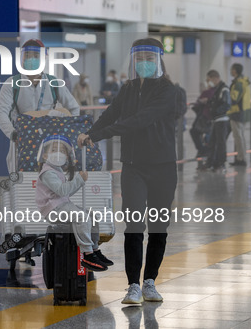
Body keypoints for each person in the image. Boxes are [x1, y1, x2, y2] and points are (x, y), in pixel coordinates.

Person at [77, 38, 177, 305]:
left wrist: (100, 136)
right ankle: (133, 284)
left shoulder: (169, 91)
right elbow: (112, 113)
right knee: (134, 224)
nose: (144, 63)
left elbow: (138, 121)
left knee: (158, 226)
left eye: (149, 58)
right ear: (134, 61)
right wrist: (90, 132)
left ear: (159, 60)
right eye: (140, 58)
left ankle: (150, 282)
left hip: (163, 168)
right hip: (133, 167)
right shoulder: (128, 88)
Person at [0, 39, 80, 173]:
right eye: (27, 55)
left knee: (51, 182)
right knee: (22, 184)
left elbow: (74, 108)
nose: (31, 59)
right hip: (22, 141)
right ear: (21, 58)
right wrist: (13, 134)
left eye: (35, 56)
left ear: (43, 59)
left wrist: (66, 133)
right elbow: (0, 113)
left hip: (51, 143)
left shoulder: (54, 83)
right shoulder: (12, 83)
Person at [35, 135, 113, 272]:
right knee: (82, 217)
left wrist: (80, 182)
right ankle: (87, 253)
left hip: (61, 205)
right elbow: (62, 190)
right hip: (53, 210)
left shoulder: (57, 171)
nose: (59, 153)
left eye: (63, 151)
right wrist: (79, 180)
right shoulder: (47, 172)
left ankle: (95, 249)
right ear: (45, 155)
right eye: (54, 150)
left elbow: (65, 193)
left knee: (91, 216)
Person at [200, 70, 231, 172]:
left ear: (215, 78)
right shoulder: (218, 89)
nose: (209, 82)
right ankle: (211, 163)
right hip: (216, 120)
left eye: (210, 80)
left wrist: (216, 111)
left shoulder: (224, 89)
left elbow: (226, 104)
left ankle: (221, 164)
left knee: (220, 143)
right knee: (212, 142)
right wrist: (209, 102)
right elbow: (217, 101)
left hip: (221, 120)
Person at [227, 63, 251, 166]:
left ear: (235, 71)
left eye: (231, 69)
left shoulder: (238, 83)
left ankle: (241, 159)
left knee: (238, 137)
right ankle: (241, 158)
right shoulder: (242, 81)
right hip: (242, 112)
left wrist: (227, 99)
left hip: (236, 112)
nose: (230, 71)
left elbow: (234, 98)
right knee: (240, 136)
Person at [190, 80, 215, 160]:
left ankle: (203, 150)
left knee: (194, 131)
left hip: (204, 117)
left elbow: (198, 103)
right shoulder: (216, 91)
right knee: (205, 133)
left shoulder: (207, 92)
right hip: (210, 117)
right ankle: (204, 150)